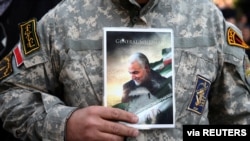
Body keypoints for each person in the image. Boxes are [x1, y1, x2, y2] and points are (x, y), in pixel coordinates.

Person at [0, 0, 250, 141]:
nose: (133, 77)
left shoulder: (208, 19)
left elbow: (236, 120)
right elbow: (10, 93)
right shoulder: (62, 20)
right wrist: (63, 125)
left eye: (137, 72)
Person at [116, 52, 173, 124]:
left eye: (135, 72)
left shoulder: (165, 85)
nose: (132, 77)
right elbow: (125, 114)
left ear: (146, 68)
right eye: (130, 73)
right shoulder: (127, 87)